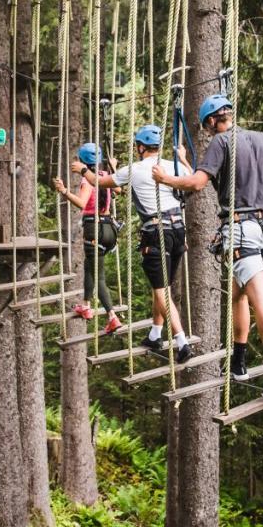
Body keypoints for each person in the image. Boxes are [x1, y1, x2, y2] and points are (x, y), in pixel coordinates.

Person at [153, 94, 263, 397]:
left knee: (261, 301)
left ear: (212, 121)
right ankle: (238, 361)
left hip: (242, 230)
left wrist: (166, 179)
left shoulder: (221, 142)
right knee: (239, 294)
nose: (209, 132)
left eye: (208, 126)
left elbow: (198, 183)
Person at [73, 124, 195, 363]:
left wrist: (82, 170)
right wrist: (182, 158)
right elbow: (192, 180)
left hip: (156, 232)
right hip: (178, 231)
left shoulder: (135, 169)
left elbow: (99, 181)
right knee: (161, 287)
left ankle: (182, 341)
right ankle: (155, 333)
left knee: (161, 291)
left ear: (140, 147)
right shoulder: (173, 166)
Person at [52, 143, 120, 331]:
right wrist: (113, 168)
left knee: (99, 277)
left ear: (82, 161)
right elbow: (119, 190)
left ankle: (112, 316)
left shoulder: (87, 181)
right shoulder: (105, 176)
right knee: (90, 266)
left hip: (94, 230)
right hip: (109, 230)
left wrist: (64, 192)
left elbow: (82, 203)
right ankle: (86, 305)